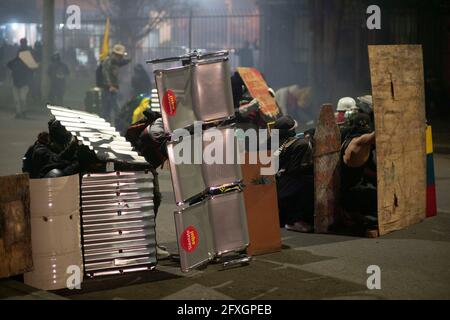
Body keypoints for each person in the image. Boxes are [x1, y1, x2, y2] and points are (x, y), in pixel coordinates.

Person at [273, 115, 315, 232]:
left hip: (275, 185)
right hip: (289, 186)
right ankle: (295, 220)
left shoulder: (269, 143)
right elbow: (296, 170)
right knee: (311, 182)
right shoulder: (301, 144)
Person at [339, 111, 378, 231]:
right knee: (376, 195)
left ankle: (353, 213)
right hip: (350, 193)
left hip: (349, 188)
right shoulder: (359, 142)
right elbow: (374, 136)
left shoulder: (348, 136)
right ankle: (351, 213)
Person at [100, 44, 130, 124]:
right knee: (107, 110)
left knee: (113, 109)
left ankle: (115, 125)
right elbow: (105, 74)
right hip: (108, 89)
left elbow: (123, 62)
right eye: (119, 56)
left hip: (113, 89)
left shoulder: (115, 62)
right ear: (114, 54)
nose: (120, 58)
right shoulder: (108, 61)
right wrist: (110, 86)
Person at [6, 38, 35, 118]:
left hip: (24, 82)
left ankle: (23, 112)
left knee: (22, 98)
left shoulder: (27, 56)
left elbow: (32, 68)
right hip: (17, 81)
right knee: (18, 99)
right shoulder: (17, 61)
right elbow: (10, 65)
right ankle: (19, 112)